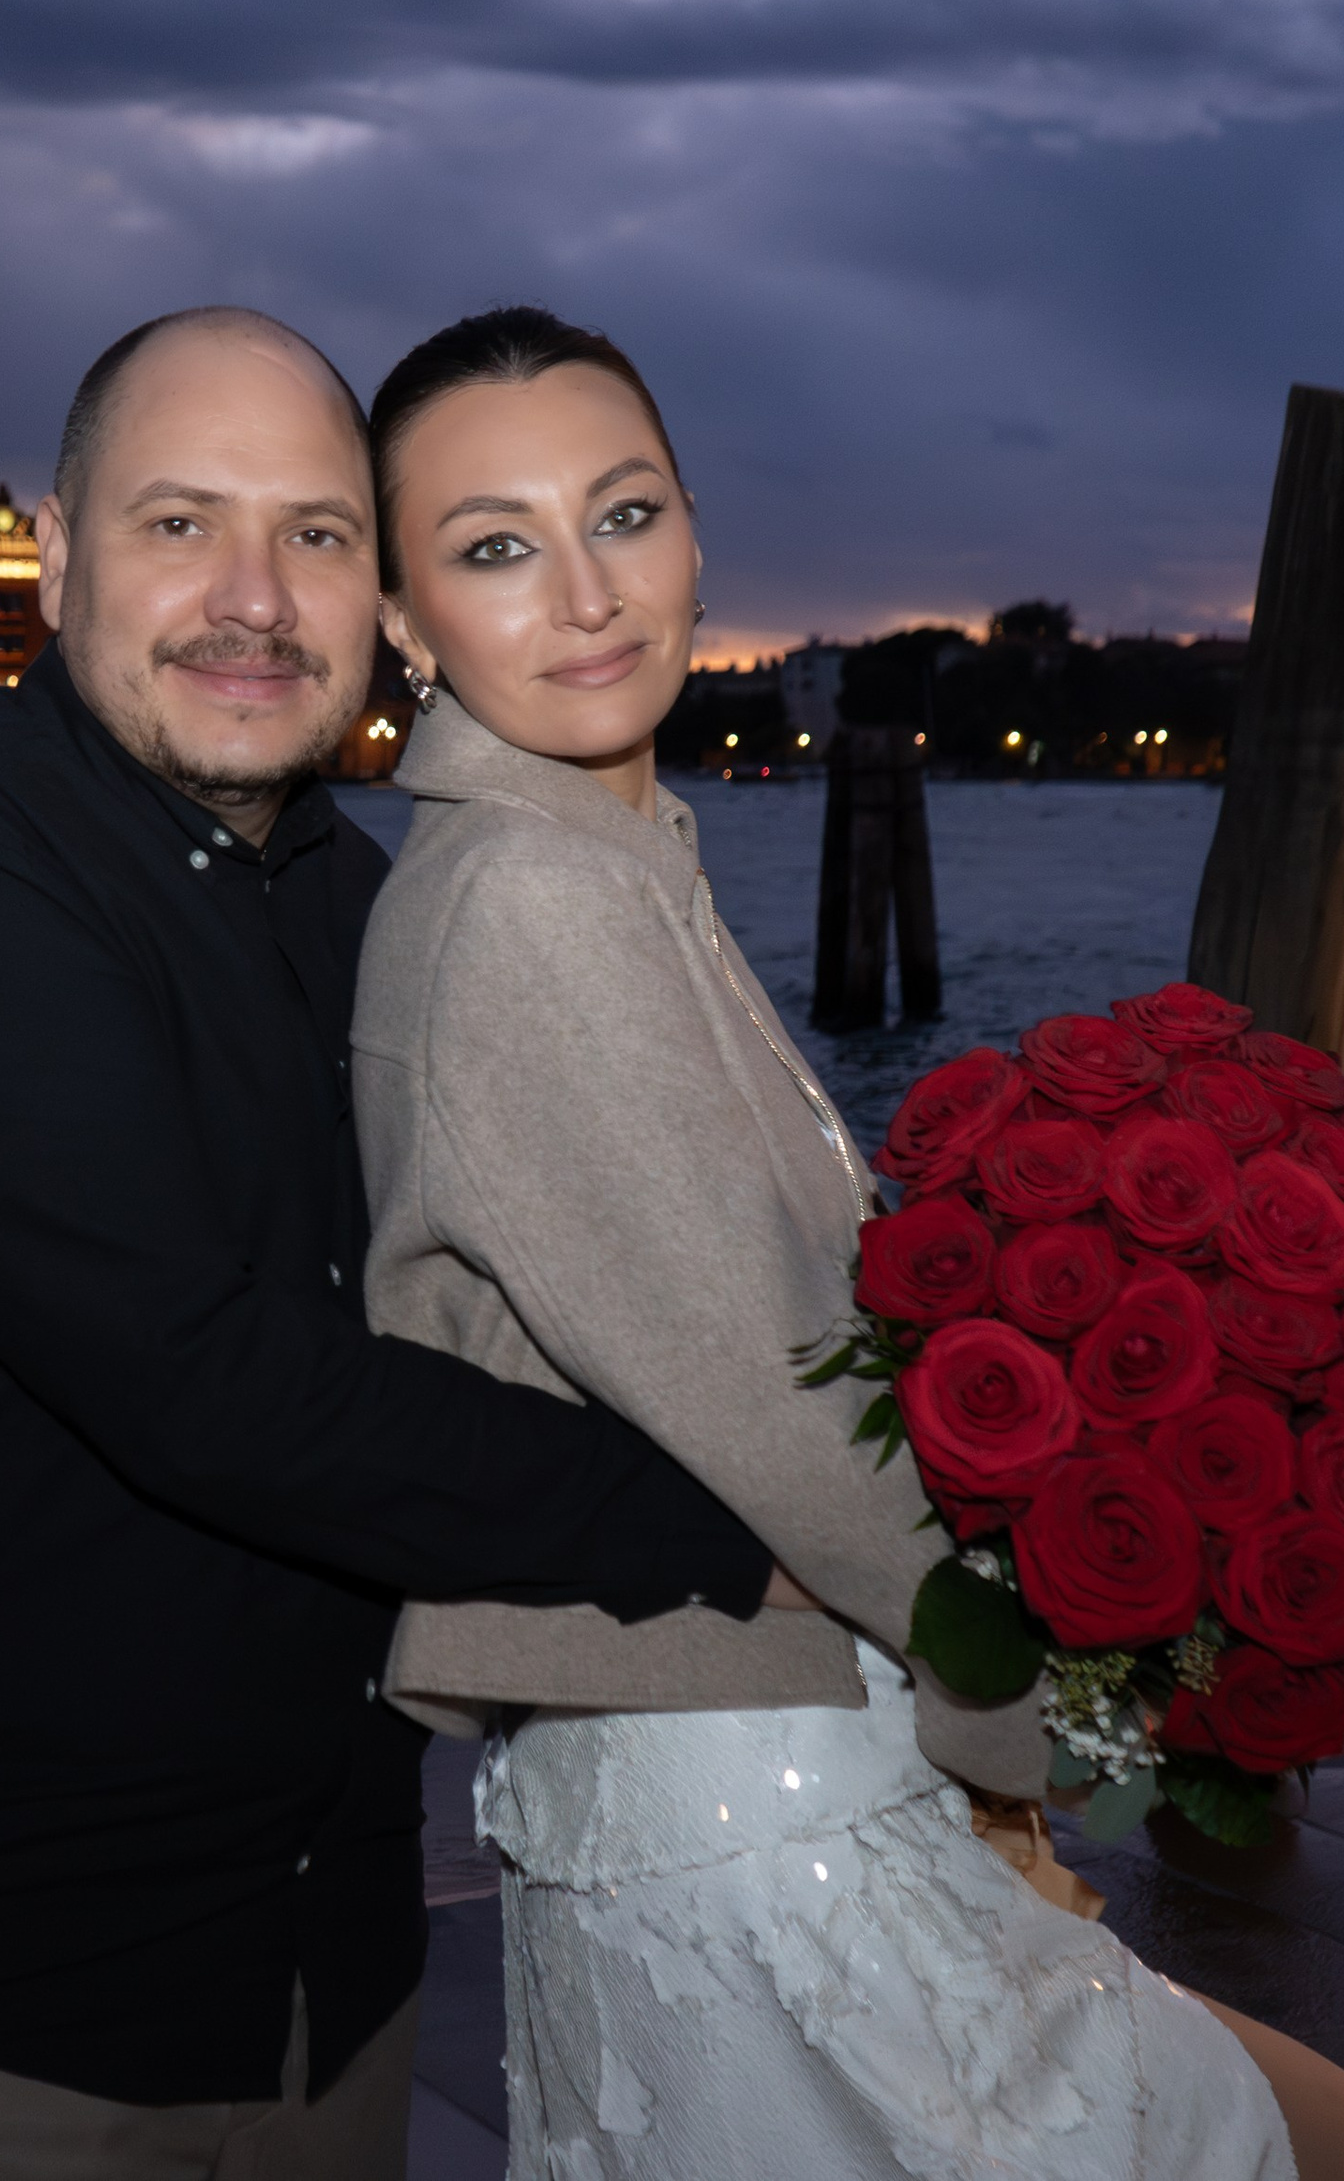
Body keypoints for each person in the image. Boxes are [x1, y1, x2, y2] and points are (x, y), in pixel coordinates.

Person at [0, 305, 793, 2179]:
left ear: (383, 596)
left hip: (321, 1978)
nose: (254, 598)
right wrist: (751, 1531)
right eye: (179, 524)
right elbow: (212, 1389)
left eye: (316, 533)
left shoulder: (364, 902)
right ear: (55, 552)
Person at [354, 300, 1344, 2180]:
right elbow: (787, 1432)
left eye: (622, 514)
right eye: (495, 548)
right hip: (751, 1794)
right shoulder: (527, 910)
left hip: (756, 1759)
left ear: (697, 530)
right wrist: (1035, 1732)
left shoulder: (606, 862)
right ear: (407, 622)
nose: (585, 591)